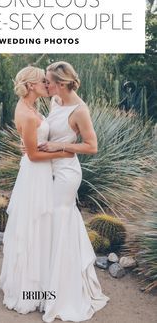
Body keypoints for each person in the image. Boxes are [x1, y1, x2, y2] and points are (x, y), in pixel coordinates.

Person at [0, 66, 73, 314]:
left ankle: (42, 282)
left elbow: (31, 147)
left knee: (39, 225)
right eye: (42, 81)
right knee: (35, 225)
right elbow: (33, 155)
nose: (46, 84)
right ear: (31, 86)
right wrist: (65, 151)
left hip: (39, 173)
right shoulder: (28, 115)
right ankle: (32, 289)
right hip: (36, 174)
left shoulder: (31, 108)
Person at [38, 61, 110, 323]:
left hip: (67, 173)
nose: (46, 84)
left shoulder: (80, 110)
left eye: (48, 80)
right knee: (53, 223)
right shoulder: (56, 102)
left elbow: (92, 146)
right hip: (49, 169)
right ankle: (48, 281)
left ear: (61, 82)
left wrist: (59, 146)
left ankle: (64, 291)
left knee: (60, 220)